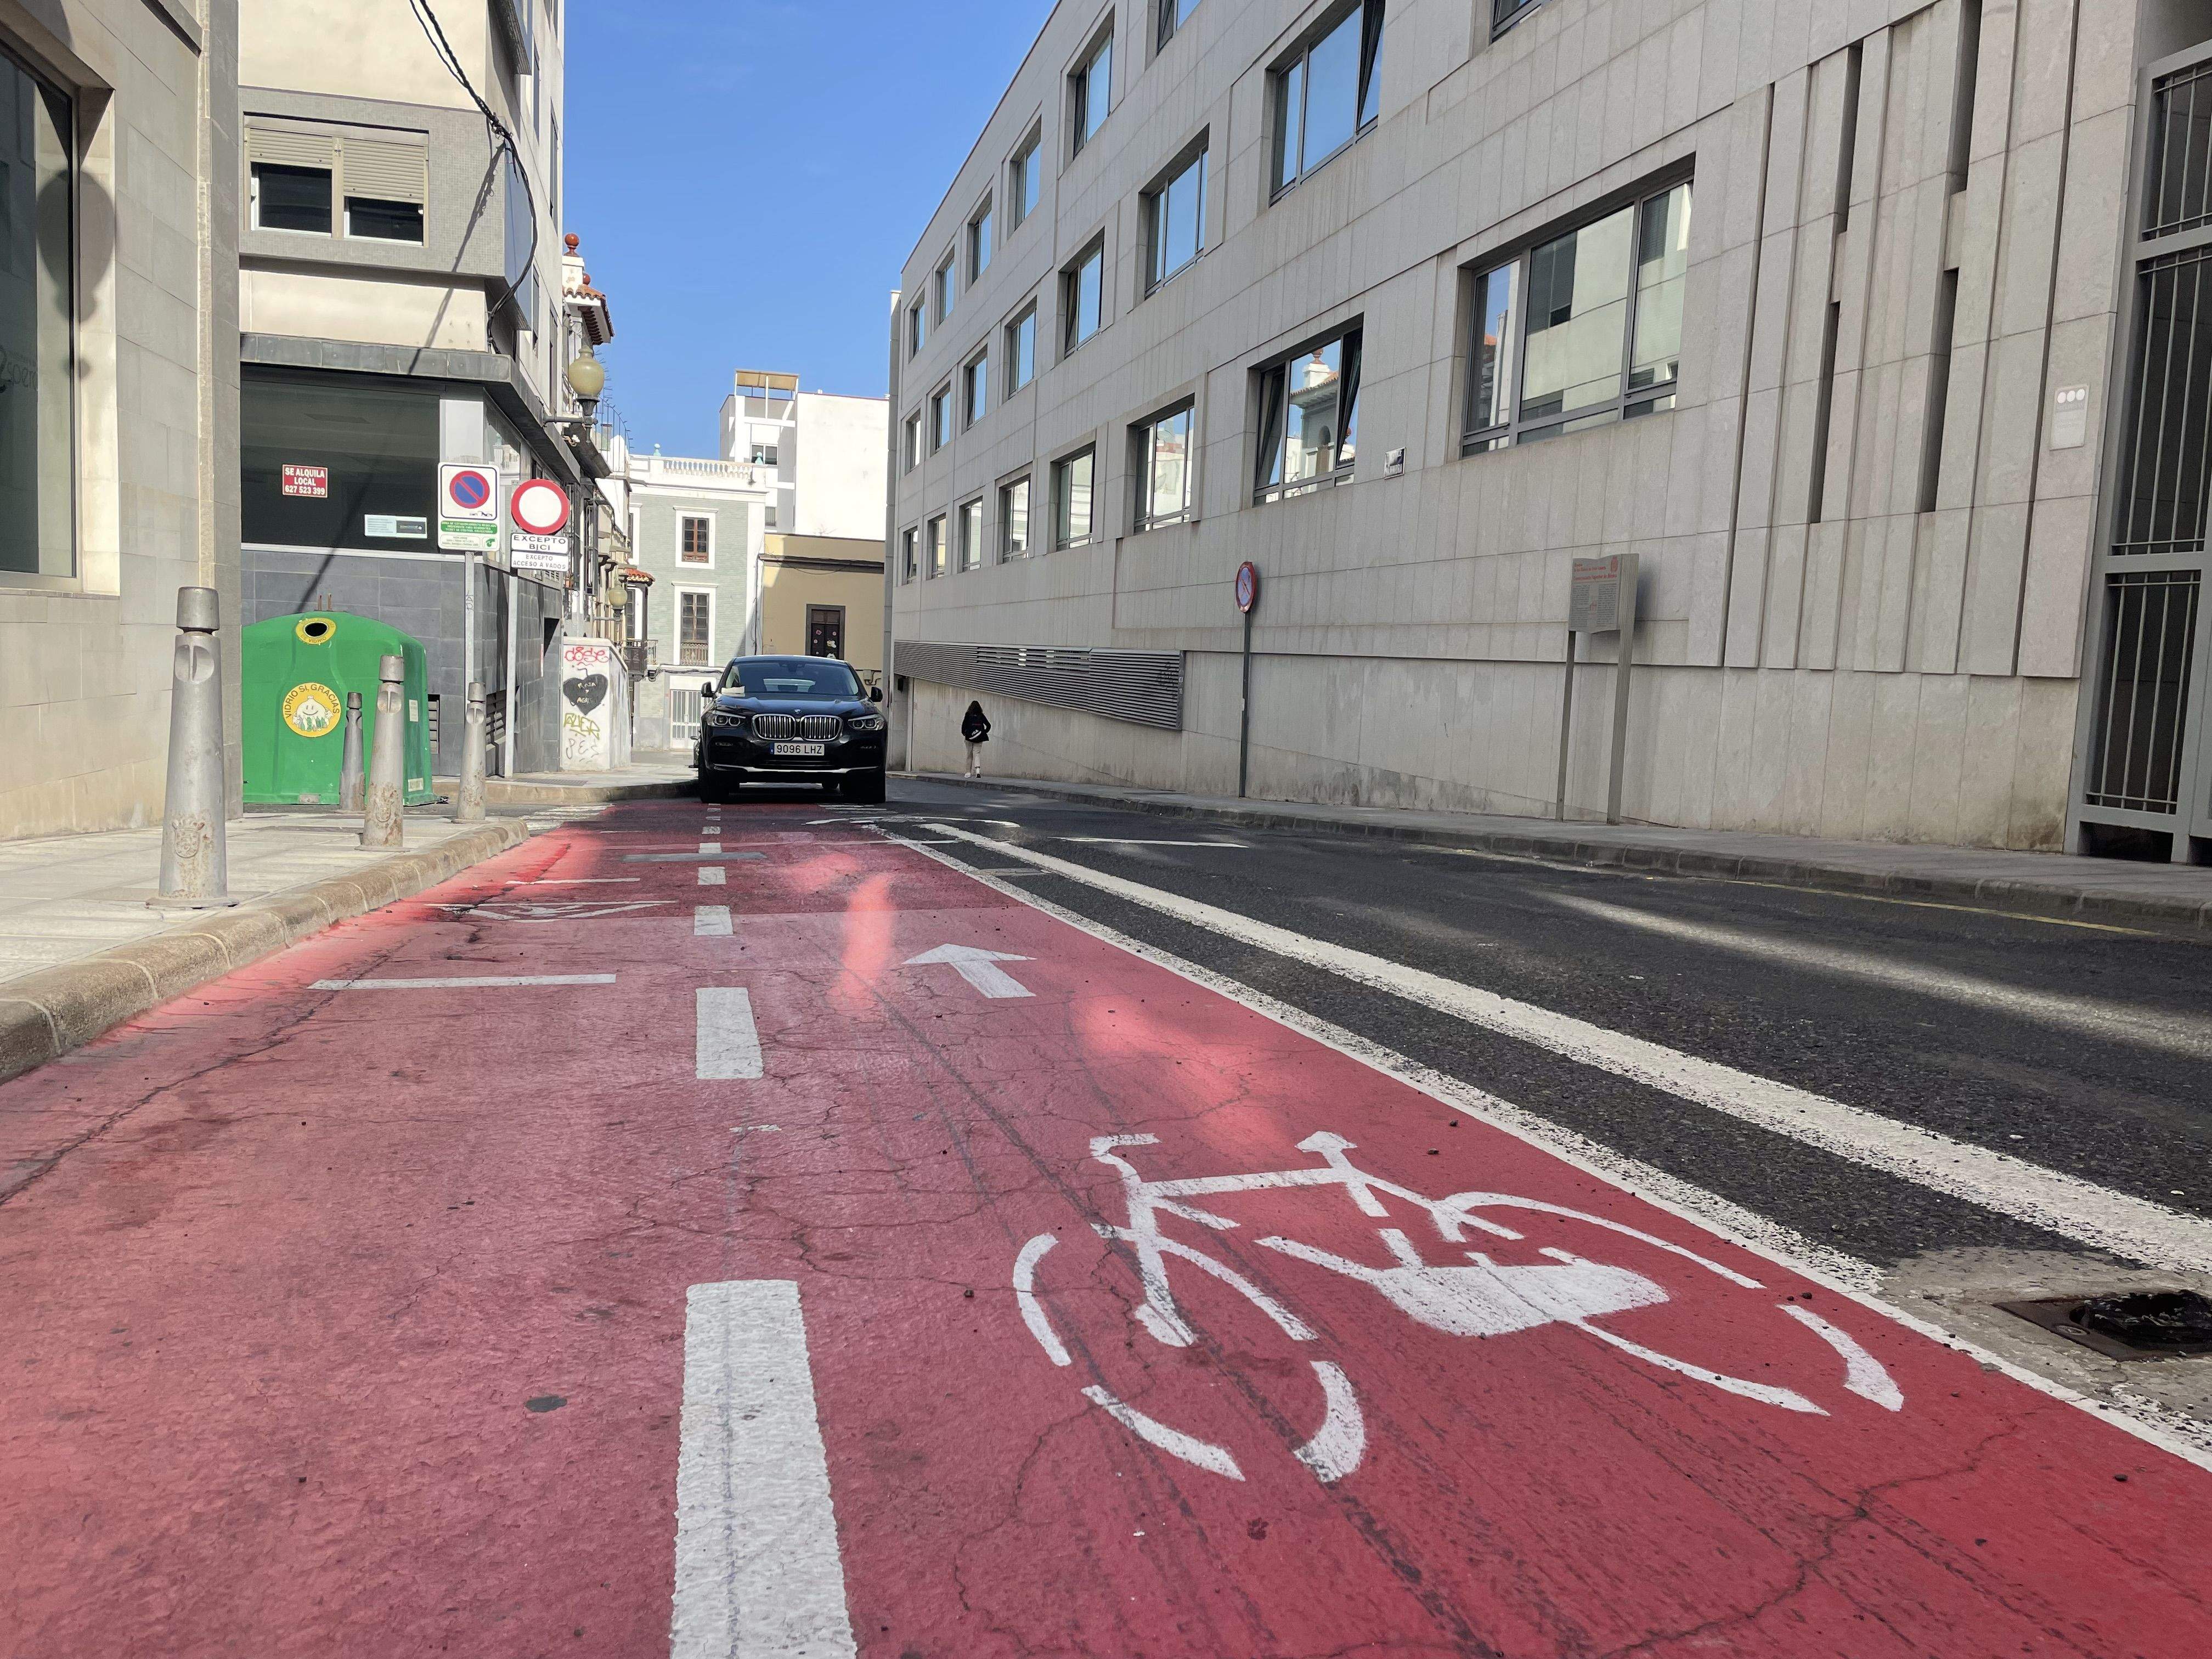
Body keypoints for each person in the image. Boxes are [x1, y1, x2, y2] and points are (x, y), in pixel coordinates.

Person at [960, 700, 991, 777]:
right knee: (977, 754)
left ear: (971, 707)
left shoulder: (968, 715)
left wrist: (964, 733)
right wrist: (983, 732)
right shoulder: (981, 715)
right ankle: (978, 771)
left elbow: (964, 725)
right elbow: (989, 725)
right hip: (979, 738)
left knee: (969, 755)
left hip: (969, 738)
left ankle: (968, 773)